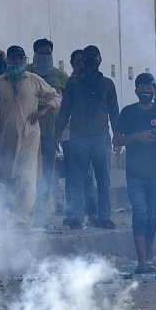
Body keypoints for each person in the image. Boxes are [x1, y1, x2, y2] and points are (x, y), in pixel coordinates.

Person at [0, 45, 61, 228]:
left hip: (30, 135)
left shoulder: (33, 80)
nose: (17, 61)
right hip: (6, 136)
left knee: (27, 177)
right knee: (9, 176)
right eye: (14, 58)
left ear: (24, 60)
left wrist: (42, 111)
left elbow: (55, 98)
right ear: (8, 60)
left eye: (20, 58)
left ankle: (21, 218)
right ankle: (9, 213)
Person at [54, 44, 119, 229]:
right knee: (77, 180)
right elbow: (65, 109)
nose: (91, 62)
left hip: (101, 137)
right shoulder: (73, 83)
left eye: (94, 58)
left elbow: (114, 111)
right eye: (88, 58)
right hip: (79, 138)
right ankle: (77, 217)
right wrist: (58, 134)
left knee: (103, 180)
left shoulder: (107, 84)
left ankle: (104, 217)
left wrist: (118, 137)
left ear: (100, 60)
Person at [114, 73, 156, 271]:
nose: (146, 91)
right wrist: (136, 136)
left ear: (154, 91)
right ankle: (142, 262)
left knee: (153, 217)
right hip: (135, 174)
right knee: (140, 214)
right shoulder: (128, 112)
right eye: (142, 88)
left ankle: (145, 260)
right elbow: (116, 140)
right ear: (136, 91)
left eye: (149, 88)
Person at [27, 38, 68, 225]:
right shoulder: (26, 73)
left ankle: (42, 211)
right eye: (40, 53)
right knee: (28, 173)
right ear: (34, 54)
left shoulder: (60, 76)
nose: (44, 56)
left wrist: (63, 132)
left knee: (47, 175)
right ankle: (27, 209)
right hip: (27, 133)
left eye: (47, 53)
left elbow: (66, 104)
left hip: (50, 133)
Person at [63, 47, 96, 222]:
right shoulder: (70, 83)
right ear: (72, 65)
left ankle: (91, 212)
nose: (82, 65)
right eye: (78, 62)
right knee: (72, 176)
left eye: (84, 62)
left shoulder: (95, 83)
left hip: (90, 136)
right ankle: (72, 212)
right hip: (71, 135)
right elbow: (64, 110)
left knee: (88, 177)